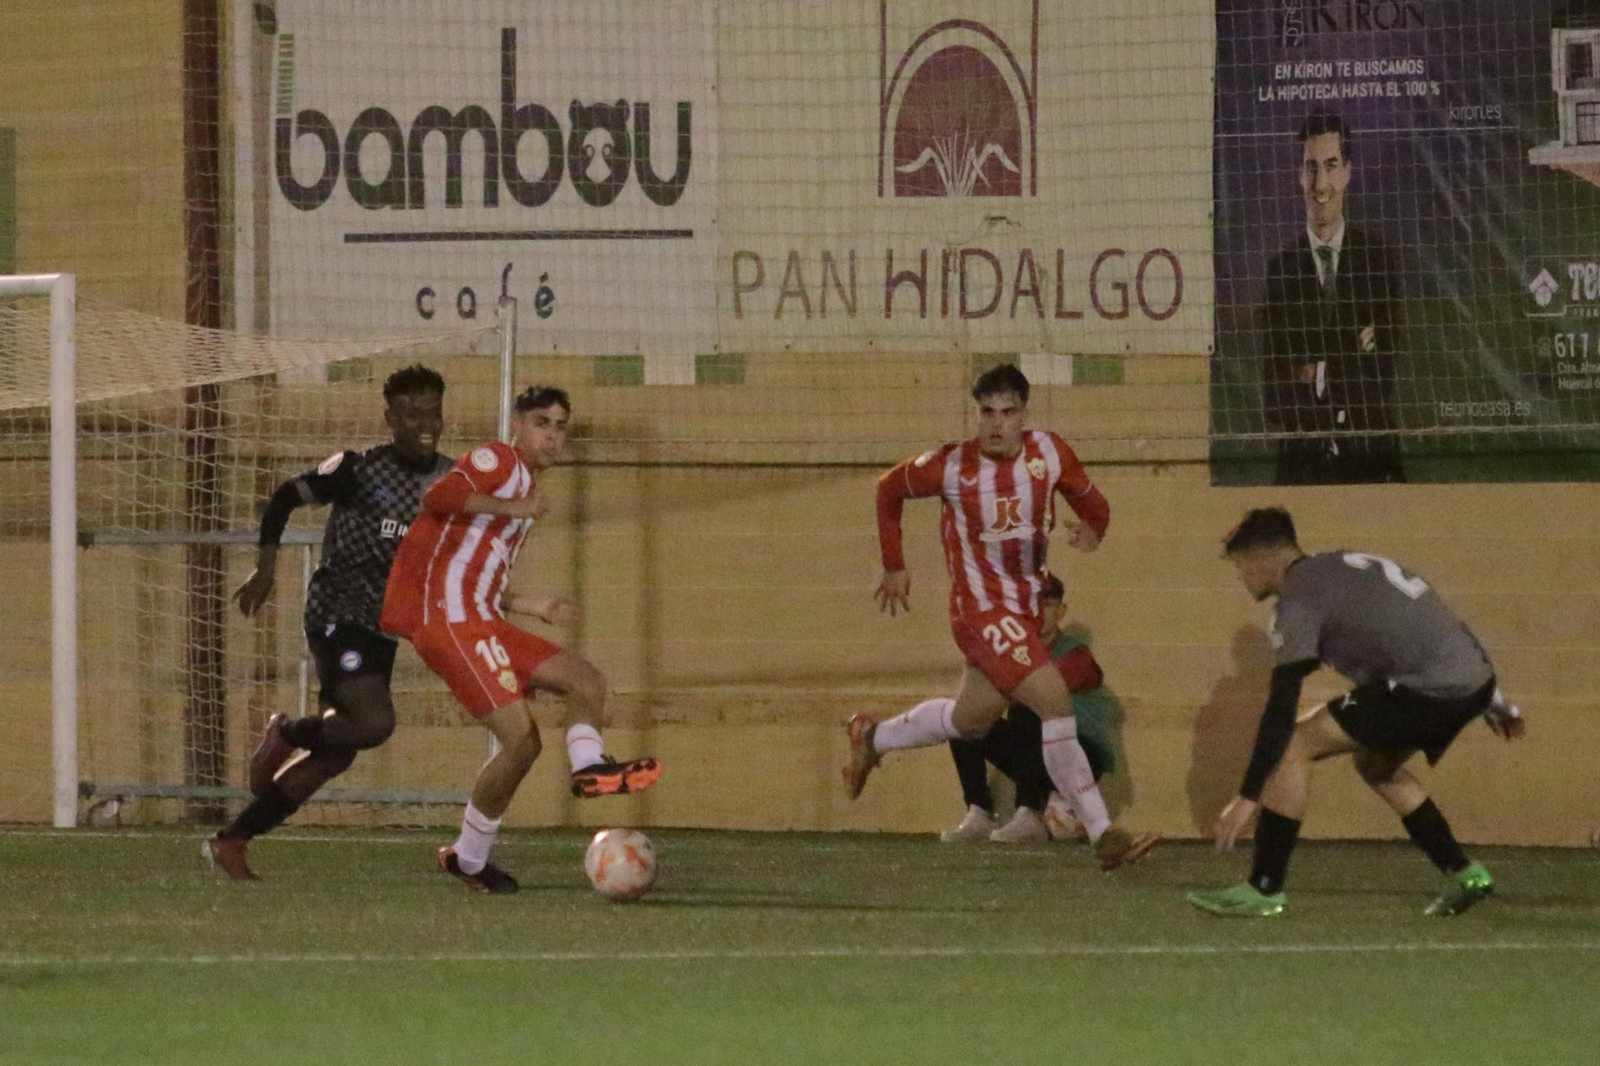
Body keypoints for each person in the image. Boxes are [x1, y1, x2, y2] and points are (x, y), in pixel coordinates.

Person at [843, 363, 1158, 871]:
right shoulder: (951, 467)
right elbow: (888, 489)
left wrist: (1094, 530)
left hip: (1024, 611)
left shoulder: (1050, 454)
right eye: (986, 412)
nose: (995, 424)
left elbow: (1094, 504)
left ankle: (872, 737)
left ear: (1023, 415)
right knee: (1055, 702)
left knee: (970, 721)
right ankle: (1104, 834)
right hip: (979, 610)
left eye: (1007, 412)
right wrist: (894, 564)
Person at [381, 384, 661, 895]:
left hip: (481, 617)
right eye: (541, 423)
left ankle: (587, 768)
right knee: (520, 741)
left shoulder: (523, 481)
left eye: (560, 426)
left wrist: (533, 606)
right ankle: (469, 857)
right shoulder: (501, 461)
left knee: (585, 681)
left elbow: (472, 567)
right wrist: (517, 509)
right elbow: (437, 496)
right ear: (517, 425)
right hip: (448, 620)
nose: (553, 435)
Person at [1187, 508, 1525, 918]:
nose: (1242, 577)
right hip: (1471, 680)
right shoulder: (1342, 565)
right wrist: (1493, 696)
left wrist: (1248, 795)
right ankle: (1462, 872)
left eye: (1241, 566)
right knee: (1376, 765)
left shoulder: (1299, 599)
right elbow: (1442, 620)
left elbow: (1281, 707)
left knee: (1295, 742)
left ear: (1261, 560)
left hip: (1425, 688)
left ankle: (1264, 888)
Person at [204, 364, 452, 881]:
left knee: (335, 756)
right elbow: (283, 498)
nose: (423, 423)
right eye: (410, 414)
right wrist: (266, 569)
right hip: (338, 611)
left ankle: (232, 839)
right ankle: (287, 732)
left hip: (385, 626)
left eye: (432, 412)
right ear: (390, 419)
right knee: (374, 723)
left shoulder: (449, 482)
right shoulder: (357, 469)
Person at [1261, 112, 1405, 485]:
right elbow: (1276, 392)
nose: (1320, 183)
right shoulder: (1280, 271)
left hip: (1372, 461)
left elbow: (1383, 374)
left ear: (1347, 173)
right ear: (1299, 175)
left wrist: (1315, 368)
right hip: (1302, 466)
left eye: (1331, 165)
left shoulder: (1379, 261)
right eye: (1311, 167)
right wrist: (1352, 348)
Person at [939, 573, 1117, 844]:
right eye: (1033, 603)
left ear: (1061, 611)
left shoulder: (1075, 653)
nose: (1039, 612)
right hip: (1038, 757)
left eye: (1047, 604)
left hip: (1079, 757)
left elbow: (1027, 693)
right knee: (962, 720)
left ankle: (1030, 812)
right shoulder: (1013, 653)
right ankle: (978, 811)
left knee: (1028, 712)